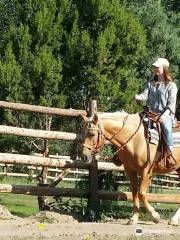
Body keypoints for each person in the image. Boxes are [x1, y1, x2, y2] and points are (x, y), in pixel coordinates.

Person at [135, 57, 178, 163]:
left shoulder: (171, 86)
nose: (155, 69)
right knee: (134, 123)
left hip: (165, 114)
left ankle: (169, 154)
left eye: (158, 67)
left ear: (164, 68)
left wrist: (164, 116)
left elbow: (171, 104)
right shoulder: (151, 83)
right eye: (155, 67)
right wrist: (139, 97)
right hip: (150, 113)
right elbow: (145, 94)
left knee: (167, 129)